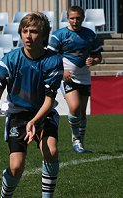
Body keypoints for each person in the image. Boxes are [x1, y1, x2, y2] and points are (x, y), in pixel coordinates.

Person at [0, 12, 63, 197]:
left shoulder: (53, 61)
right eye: (25, 30)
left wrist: (34, 121)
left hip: (43, 114)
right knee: (16, 167)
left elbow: (49, 100)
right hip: (17, 116)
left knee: (51, 151)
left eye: (34, 31)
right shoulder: (10, 59)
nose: (28, 36)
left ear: (44, 35)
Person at [48, 6, 102, 153]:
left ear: (83, 18)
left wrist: (94, 61)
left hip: (84, 77)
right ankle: (75, 139)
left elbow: (98, 56)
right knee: (75, 107)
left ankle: (80, 143)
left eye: (78, 18)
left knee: (82, 112)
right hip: (67, 77)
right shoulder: (59, 35)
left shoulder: (90, 35)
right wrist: (62, 71)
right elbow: (50, 58)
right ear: (67, 18)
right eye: (72, 18)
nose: (75, 21)